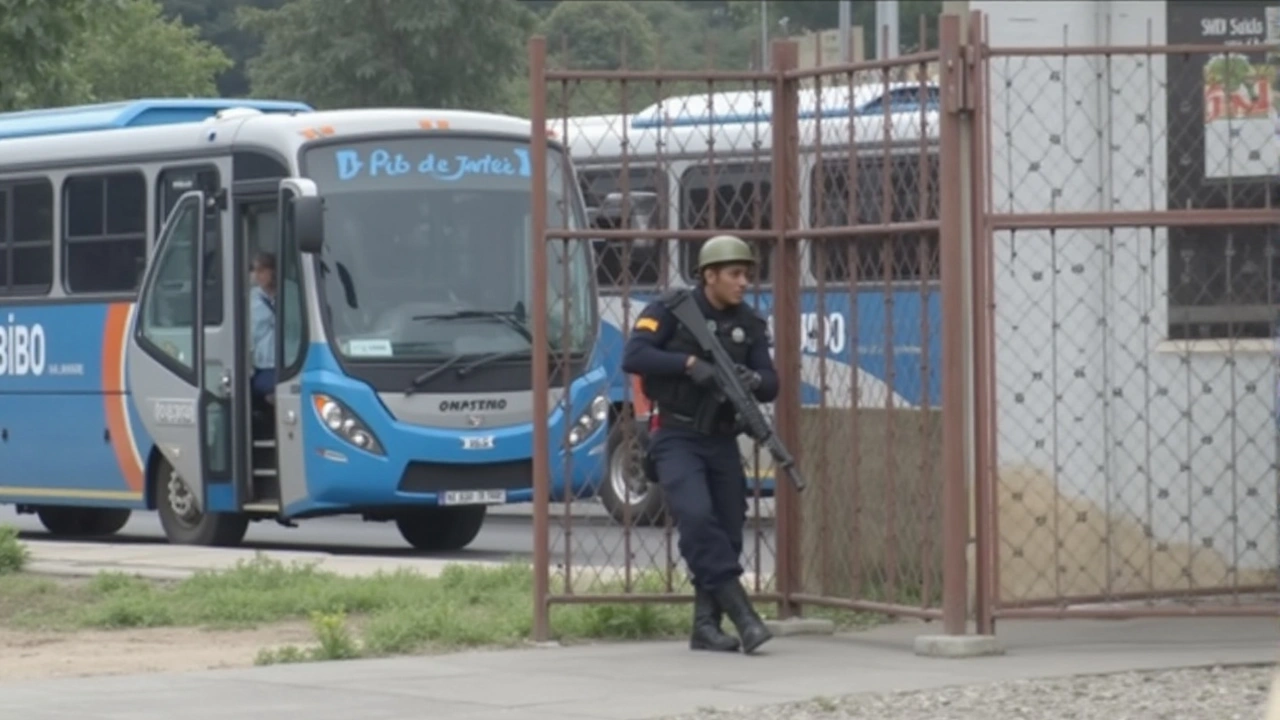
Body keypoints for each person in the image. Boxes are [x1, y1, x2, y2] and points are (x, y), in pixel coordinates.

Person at [621, 235, 779, 655]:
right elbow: (634, 355)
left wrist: (753, 380)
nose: (744, 282)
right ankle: (743, 615)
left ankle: (705, 627)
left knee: (728, 530)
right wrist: (689, 364)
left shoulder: (751, 323)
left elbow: (772, 382)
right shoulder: (672, 311)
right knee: (695, 515)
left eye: (747, 274)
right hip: (676, 434)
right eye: (735, 274)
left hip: (721, 439)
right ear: (709, 276)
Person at [249, 251, 277, 402]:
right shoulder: (251, 299)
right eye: (254, 270)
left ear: (272, 271)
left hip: (287, 361)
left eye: (261, 270)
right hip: (261, 365)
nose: (257, 275)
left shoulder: (289, 293)